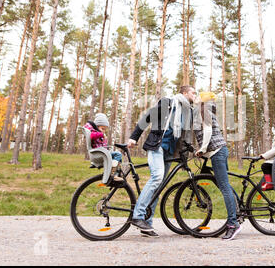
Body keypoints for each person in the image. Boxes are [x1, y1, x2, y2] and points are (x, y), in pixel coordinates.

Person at [127, 85, 196, 237]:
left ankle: (147, 224)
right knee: (157, 177)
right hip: (157, 145)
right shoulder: (168, 102)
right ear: (184, 93)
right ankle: (138, 216)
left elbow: (183, 136)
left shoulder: (187, 111)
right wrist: (133, 137)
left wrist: (189, 151)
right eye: (193, 92)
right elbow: (147, 118)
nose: (195, 95)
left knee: (159, 186)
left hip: (169, 151)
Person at [193, 92, 241, 241]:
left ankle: (233, 224)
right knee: (224, 185)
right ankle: (239, 211)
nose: (195, 98)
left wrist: (202, 148)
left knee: (224, 187)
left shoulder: (204, 109)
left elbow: (207, 130)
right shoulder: (206, 110)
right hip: (218, 151)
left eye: (197, 96)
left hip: (217, 151)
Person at [83, 113, 123, 178]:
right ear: (97, 127)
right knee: (118, 154)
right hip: (100, 153)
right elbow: (92, 136)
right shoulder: (95, 133)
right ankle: (113, 172)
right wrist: (101, 134)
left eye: (105, 129)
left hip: (101, 152)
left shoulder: (97, 133)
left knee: (119, 159)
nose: (103, 131)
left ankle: (116, 173)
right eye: (102, 128)